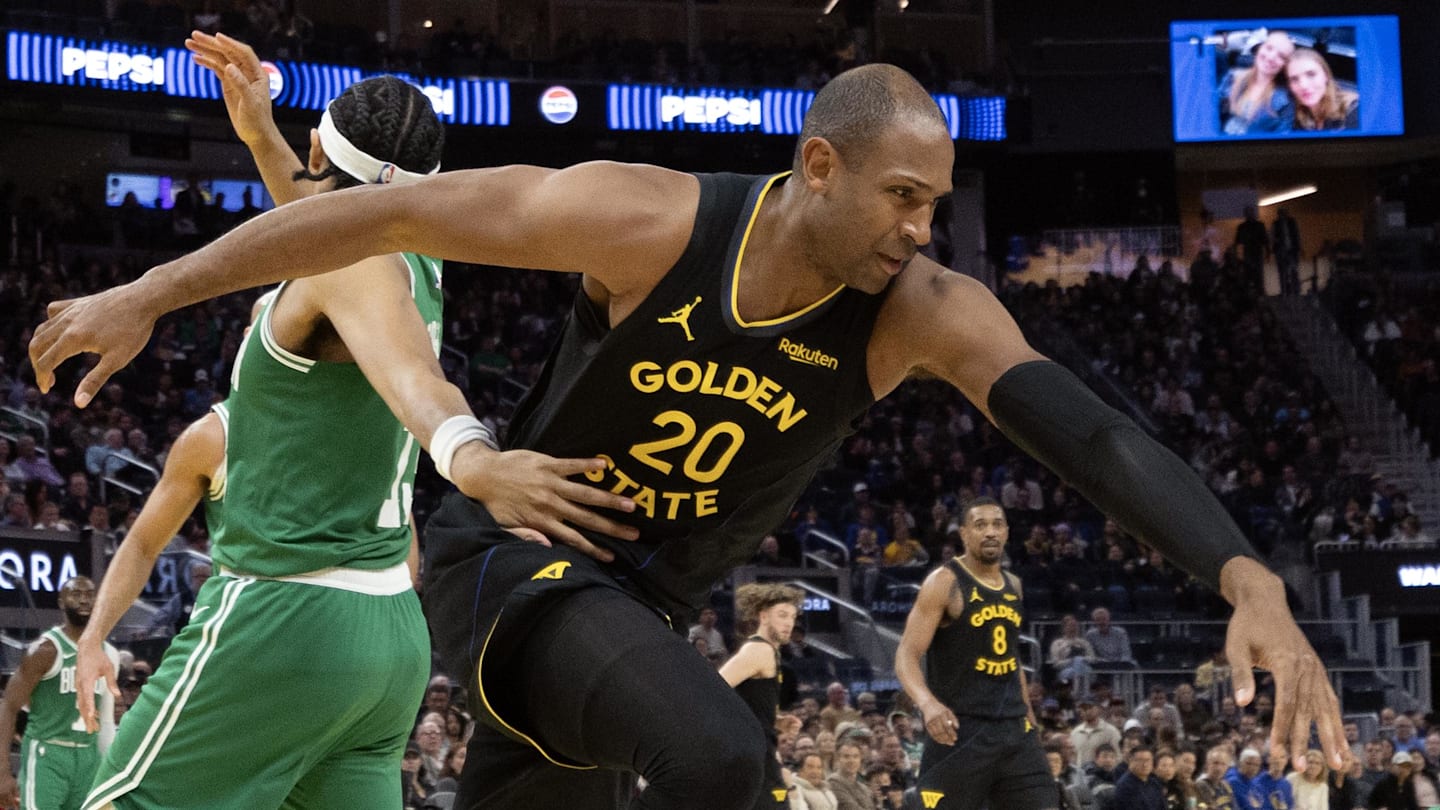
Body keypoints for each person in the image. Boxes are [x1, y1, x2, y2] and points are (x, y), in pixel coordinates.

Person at [31, 63, 1349, 809]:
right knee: (720, 754)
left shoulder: (922, 311)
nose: (922, 227)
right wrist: (150, 291)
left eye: (936, 203)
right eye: (902, 195)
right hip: (512, 564)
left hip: (637, 611)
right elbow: (376, 218)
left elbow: (1093, 435)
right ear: (818, 168)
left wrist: (1244, 575)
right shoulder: (652, 221)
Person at [73, 33, 601, 810]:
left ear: (320, 145)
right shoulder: (412, 252)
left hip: (285, 617)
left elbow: (416, 379)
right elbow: (323, 223)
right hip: (386, 640)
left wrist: (472, 457)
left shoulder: (351, 266)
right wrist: (261, 135)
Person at [894, 497, 1049, 809]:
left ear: (1006, 532)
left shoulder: (1014, 585)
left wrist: (1029, 715)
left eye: (997, 524)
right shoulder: (944, 582)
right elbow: (906, 655)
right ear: (964, 534)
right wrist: (928, 704)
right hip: (961, 729)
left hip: (1014, 730)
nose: (990, 532)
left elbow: (1011, 658)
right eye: (980, 525)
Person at [0, 578, 119, 810]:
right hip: (48, 753)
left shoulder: (107, 653)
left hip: (88, 755)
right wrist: (3, 771)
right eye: (76, 594)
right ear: (61, 602)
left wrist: (110, 766)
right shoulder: (45, 650)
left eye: (89, 594)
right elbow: (8, 706)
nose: (84, 599)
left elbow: (106, 720)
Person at [721, 583, 805, 809]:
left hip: (761, 754)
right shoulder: (758, 650)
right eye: (782, 615)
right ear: (764, 615)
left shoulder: (770, 652)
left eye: (792, 617)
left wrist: (776, 721)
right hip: (753, 757)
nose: (789, 623)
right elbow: (714, 689)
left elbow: (748, 702)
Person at [1217, 31, 1296, 135]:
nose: (1271, 57)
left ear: (1285, 65)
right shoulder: (1232, 77)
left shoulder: (1285, 102)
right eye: (1269, 48)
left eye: (1281, 56)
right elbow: (1211, 112)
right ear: (1260, 48)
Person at [1285, 49, 1359, 132]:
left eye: (1311, 74)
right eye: (1294, 79)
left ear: (1326, 75)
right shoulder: (1298, 117)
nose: (1303, 85)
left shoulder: (1354, 112)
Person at [1272, 208, 1301, 296]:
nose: (1283, 215)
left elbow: (1296, 235)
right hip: (1282, 250)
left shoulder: (1291, 223)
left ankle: (1295, 289)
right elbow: (1273, 237)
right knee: (1283, 271)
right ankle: (1285, 290)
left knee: (1293, 270)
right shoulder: (1276, 224)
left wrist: (1298, 248)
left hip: (1291, 250)